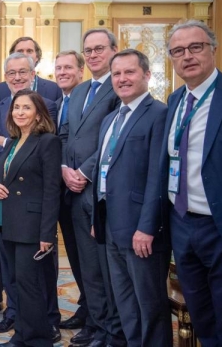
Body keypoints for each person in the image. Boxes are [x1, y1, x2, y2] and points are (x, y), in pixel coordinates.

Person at [92, 49, 172, 347]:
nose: (122, 79)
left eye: (130, 72)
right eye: (116, 74)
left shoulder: (160, 114)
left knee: (150, 307)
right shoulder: (110, 118)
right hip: (111, 225)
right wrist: (97, 219)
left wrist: (147, 227)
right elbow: (103, 170)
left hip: (142, 230)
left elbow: (157, 176)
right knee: (125, 303)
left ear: (147, 75)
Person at [0, 53, 60, 342]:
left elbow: (52, 191)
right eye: (17, 108)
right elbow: (3, 175)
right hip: (8, 220)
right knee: (16, 282)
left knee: (30, 285)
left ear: (39, 113)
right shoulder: (14, 142)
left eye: (26, 108)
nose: (20, 112)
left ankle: (35, 337)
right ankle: (25, 333)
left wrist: (47, 234)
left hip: (31, 225)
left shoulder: (48, 142)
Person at [161, 20, 222, 346]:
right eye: (178, 51)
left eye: (195, 47)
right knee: (200, 312)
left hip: (220, 225)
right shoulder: (175, 101)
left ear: (213, 49)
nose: (187, 56)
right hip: (182, 223)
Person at [59, 28, 124, 347]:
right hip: (71, 188)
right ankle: (95, 322)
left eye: (100, 49)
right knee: (83, 264)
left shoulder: (120, 86)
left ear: (114, 50)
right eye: (89, 50)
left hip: (99, 190)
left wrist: (84, 171)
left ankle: (108, 327)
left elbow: (114, 138)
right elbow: (66, 134)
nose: (94, 54)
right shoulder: (80, 91)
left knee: (102, 266)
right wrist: (64, 169)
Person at [54, 50, 90, 330]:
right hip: (61, 192)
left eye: (68, 67)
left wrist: (76, 172)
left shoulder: (89, 100)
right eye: (58, 68)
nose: (62, 72)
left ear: (81, 70)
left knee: (91, 259)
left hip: (84, 189)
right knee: (77, 258)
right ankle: (85, 307)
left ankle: (93, 313)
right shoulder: (57, 103)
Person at [0, 37, 62, 104]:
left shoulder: (54, 89)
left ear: (37, 56)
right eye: (20, 51)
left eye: (29, 51)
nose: (25, 54)